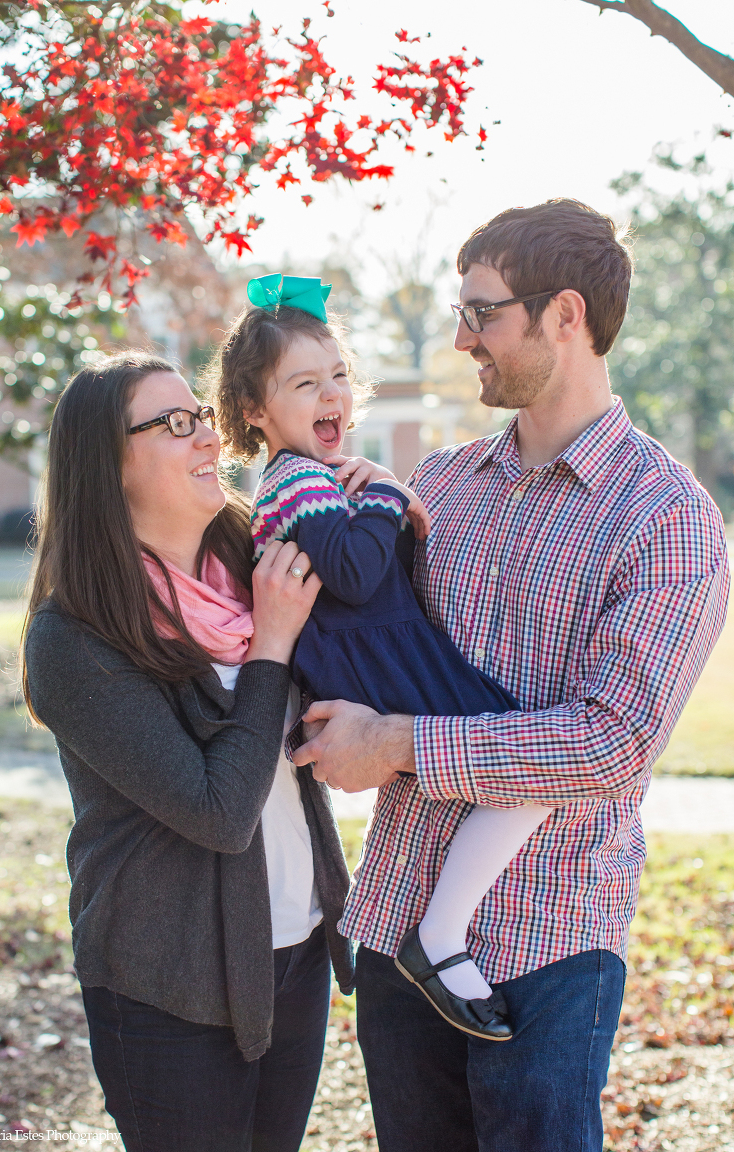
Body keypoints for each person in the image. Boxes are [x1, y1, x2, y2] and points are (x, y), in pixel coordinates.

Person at [291, 200, 730, 1152]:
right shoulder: (437, 488)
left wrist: (398, 742)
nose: (461, 337)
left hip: (551, 940)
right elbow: (363, 634)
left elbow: (611, 743)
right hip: (399, 919)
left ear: (564, 316)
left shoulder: (667, 520)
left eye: (483, 313)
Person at [204, 273, 553, 1042]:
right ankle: (440, 934)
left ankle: (442, 931)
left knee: (522, 764)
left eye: (338, 377)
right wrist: (391, 493)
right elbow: (359, 575)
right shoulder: (296, 481)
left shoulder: (320, 478)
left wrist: (381, 499)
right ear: (257, 413)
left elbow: (371, 562)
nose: (331, 396)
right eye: (304, 384)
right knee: (529, 762)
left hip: (384, 651)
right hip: (372, 664)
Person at [21, 351, 354, 1152]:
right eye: (173, 424)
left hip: (297, 946)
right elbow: (216, 811)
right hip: (167, 980)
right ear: (111, 465)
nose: (207, 436)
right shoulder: (74, 638)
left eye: (200, 415)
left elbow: (378, 617)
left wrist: (370, 491)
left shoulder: (255, 563)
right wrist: (271, 647)